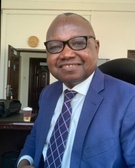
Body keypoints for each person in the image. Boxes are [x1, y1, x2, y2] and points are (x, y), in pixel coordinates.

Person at [17, 12, 135, 168]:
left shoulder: (129, 99)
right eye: (54, 46)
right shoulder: (47, 93)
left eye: (79, 43)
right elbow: (36, 138)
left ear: (96, 47)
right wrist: (24, 162)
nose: (66, 54)